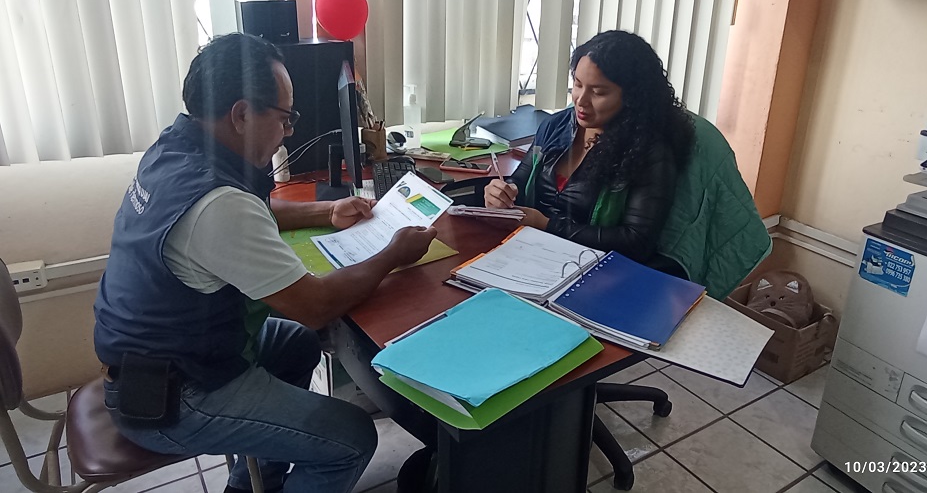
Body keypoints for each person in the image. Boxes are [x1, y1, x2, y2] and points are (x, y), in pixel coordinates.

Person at [92, 33, 437, 493]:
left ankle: (252, 483)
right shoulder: (217, 203)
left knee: (295, 344)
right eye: (285, 118)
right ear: (241, 115)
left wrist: (326, 210)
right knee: (351, 438)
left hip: (157, 360)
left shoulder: (176, 151)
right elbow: (314, 305)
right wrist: (393, 253)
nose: (288, 132)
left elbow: (246, 213)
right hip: (173, 397)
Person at [484, 30, 695, 269]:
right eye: (577, 84)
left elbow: (637, 242)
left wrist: (546, 225)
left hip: (595, 270)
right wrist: (502, 193)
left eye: (598, 92)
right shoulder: (555, 126)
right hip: (530, 256)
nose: (581, 100)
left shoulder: (649, 151)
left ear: (632, 97)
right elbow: (520, 181)